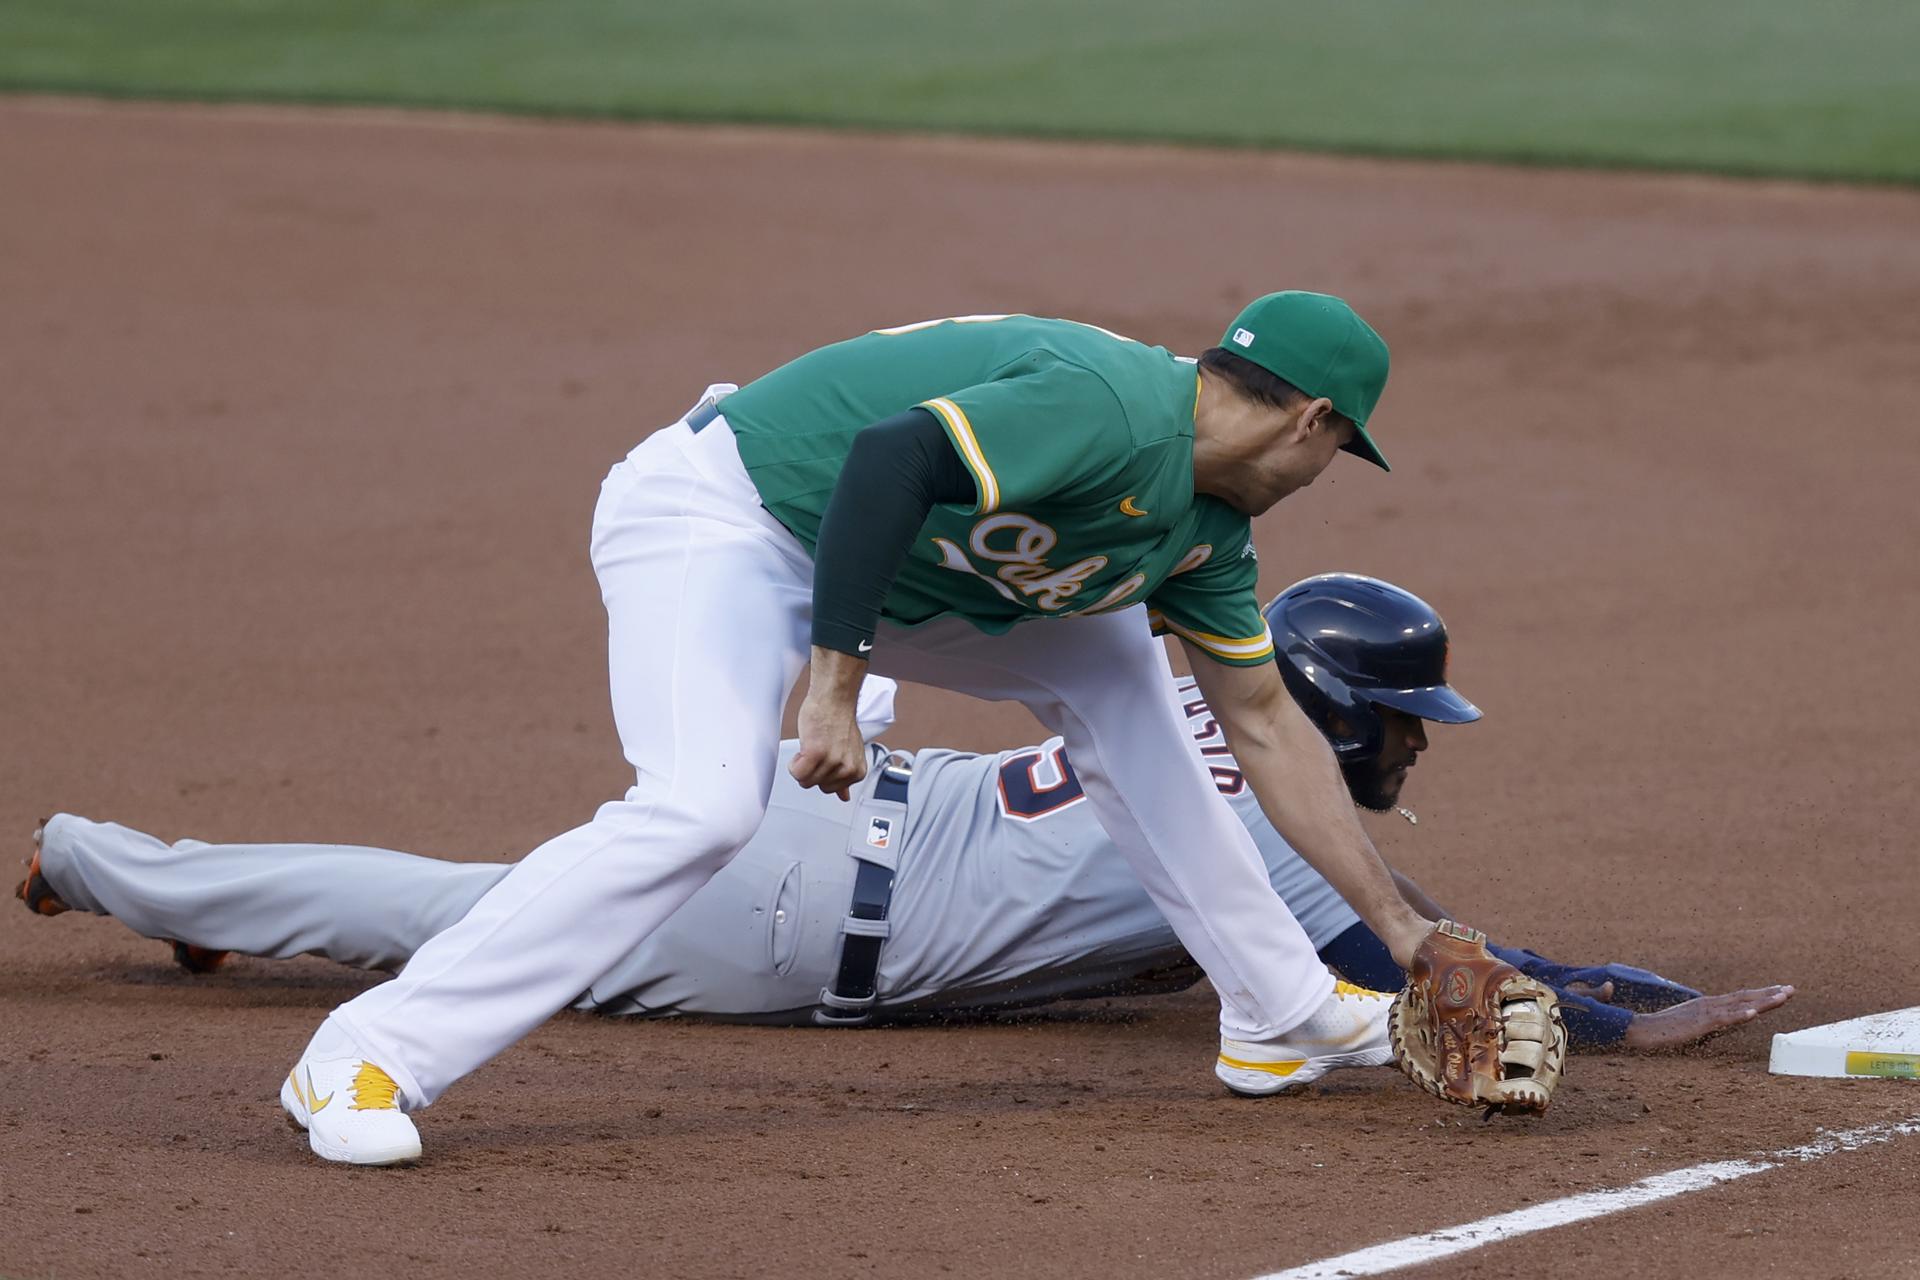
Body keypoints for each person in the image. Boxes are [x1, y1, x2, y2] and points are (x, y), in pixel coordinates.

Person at [66, 293, 1461, 1165]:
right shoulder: (1111, 406)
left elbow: (1266, 723)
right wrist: (833, 685)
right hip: (728, 520)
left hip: (915, 575)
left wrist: (1404, 942)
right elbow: (890, 460)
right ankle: (365, 1056)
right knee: (702, 807)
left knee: (1126, 687)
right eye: (1342, 451)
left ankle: (1281, 1012)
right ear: (1318, 422)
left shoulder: (1205, 532)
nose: (1329, 474)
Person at [22, 575, 1790, 1074]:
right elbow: (1431, 967)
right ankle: (99, 861)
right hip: (784, 924)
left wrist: (1632, 982)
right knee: (462, 925)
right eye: (1402, 727)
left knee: (460, 897)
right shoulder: (1267, 835)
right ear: (1336, 717)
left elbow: (1419, 919)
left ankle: (185, 897)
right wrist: (1642, 1021)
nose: (1416, 755)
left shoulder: (1224, 757)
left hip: (859, 813)